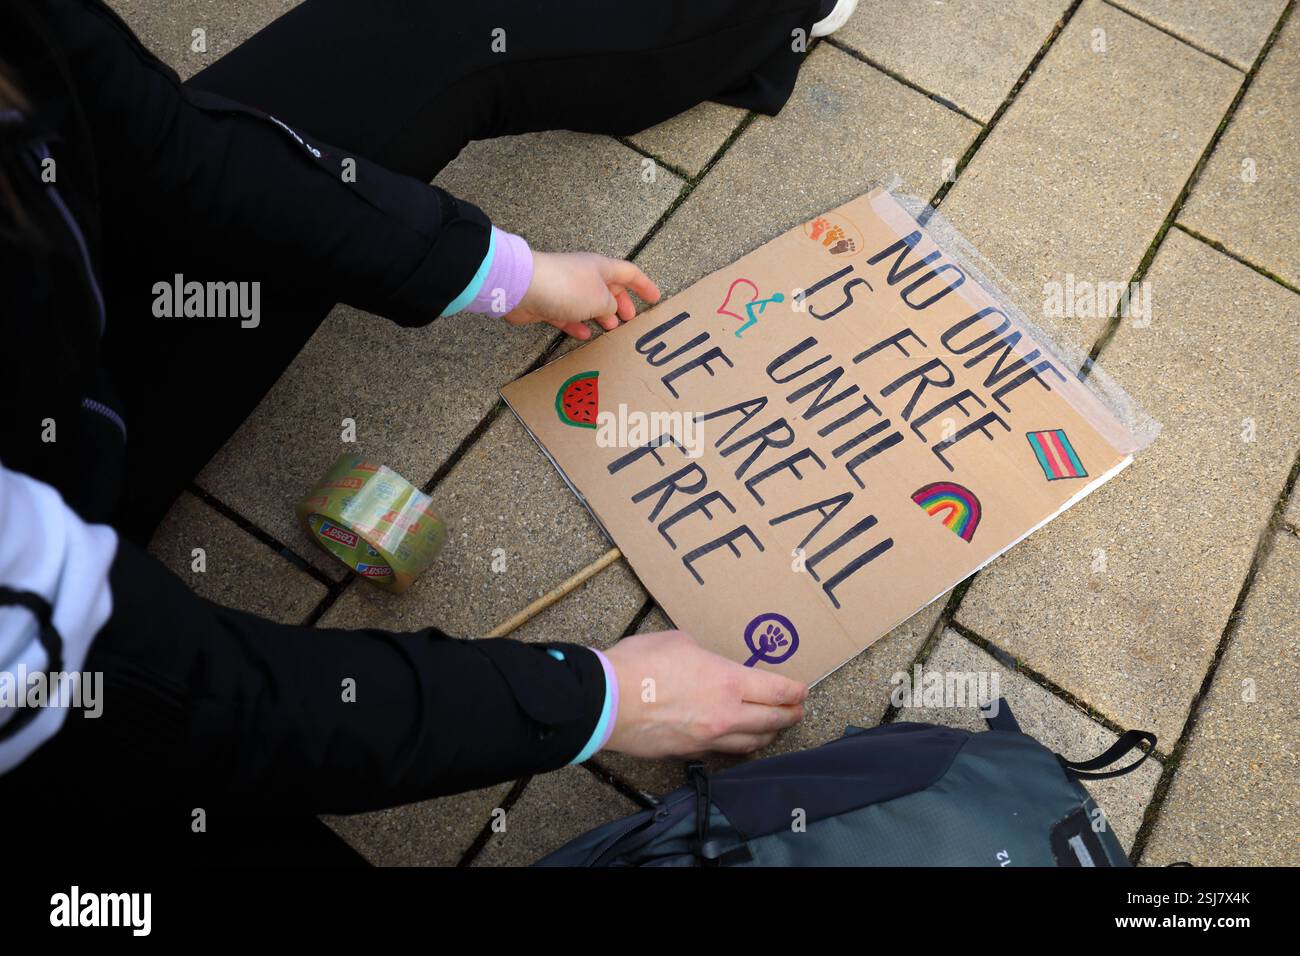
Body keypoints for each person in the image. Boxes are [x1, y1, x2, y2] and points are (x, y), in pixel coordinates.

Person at [0, 0, 857, 863]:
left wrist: (496, 272)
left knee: (431, 25)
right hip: (39, 703)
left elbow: (169, 146)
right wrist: (605, 700)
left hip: (64, 387)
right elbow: (205, 700)